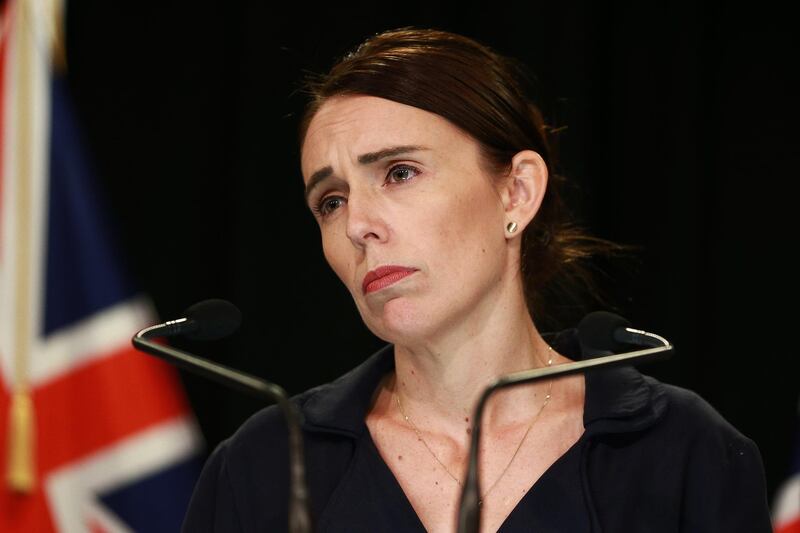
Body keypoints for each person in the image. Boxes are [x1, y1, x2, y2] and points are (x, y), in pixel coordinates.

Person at [182, 27, 772, 532]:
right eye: (331, 202)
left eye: (400, 172)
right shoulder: (264, 467)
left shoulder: (683, 452)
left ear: (516, 191)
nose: (359, 225)